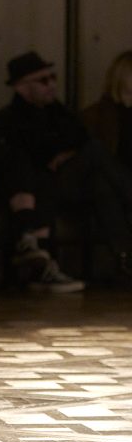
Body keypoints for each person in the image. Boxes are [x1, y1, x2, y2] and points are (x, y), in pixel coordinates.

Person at [0, 50, 126, 292]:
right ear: (21, 87)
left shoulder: (58, 111)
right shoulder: (10, 119)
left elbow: (78, 138)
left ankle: (125, 258)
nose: (52, 84)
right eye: (43, 80)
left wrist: (67, 154)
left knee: (100, 183)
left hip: (66, 181)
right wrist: (64, 154)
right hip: (45, 185)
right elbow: (26, 158)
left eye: (53, 77)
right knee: (95, 151)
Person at [82, 50, 132, 277]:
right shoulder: (97, 115)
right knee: (100, 181)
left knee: (102, 184)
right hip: (114, 180)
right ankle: (125, 255)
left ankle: (124, 255)